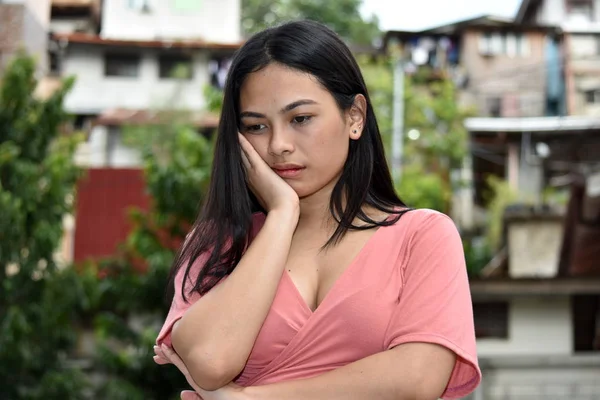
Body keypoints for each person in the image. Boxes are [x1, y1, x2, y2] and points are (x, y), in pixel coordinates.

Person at [153, 19, 481, 400]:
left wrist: (249, 398)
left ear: (354, 117)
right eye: (256, 127)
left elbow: (418, 377)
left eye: (300, 119)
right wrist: (281, 215)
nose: (278, 145)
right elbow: (210, 361)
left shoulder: (422, 236)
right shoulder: (218, 243)